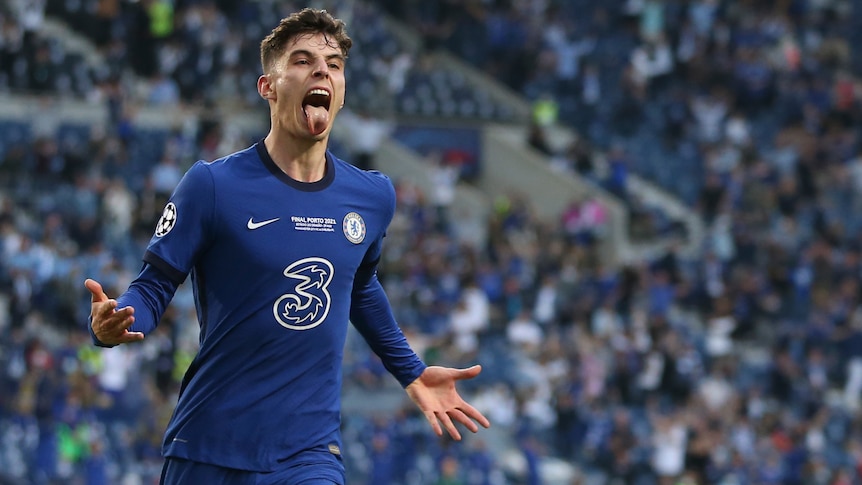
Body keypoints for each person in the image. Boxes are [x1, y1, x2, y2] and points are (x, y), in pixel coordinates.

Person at [83, 8, 490, 485]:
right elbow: (153, 285)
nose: (322, 70)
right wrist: (117, 324)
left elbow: (358, 285)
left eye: (333, 64)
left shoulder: (372, 196)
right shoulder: (212, 185)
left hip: (308, 455)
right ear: (268, 87)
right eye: (302, 60)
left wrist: (412, 372)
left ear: (340, 94)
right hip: (209, 447)